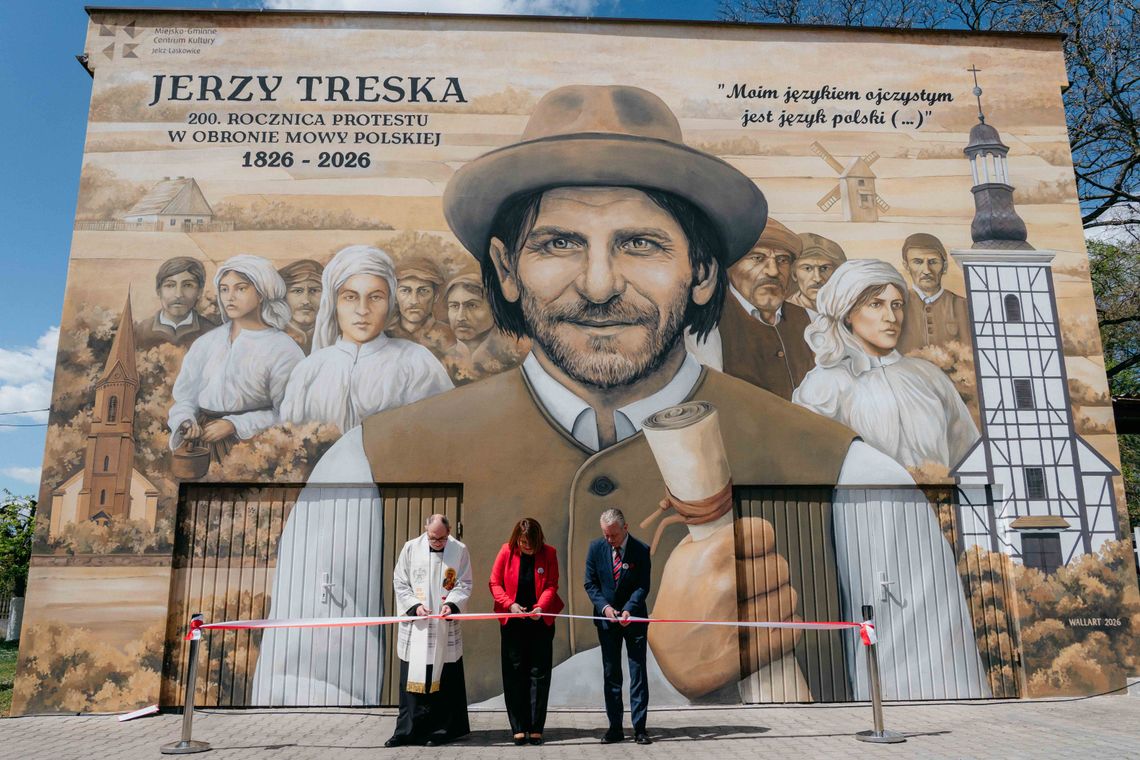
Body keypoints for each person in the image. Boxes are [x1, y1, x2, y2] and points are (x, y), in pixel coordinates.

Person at [260, 84, 987, 706]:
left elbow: (942, 734)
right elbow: (299, 732)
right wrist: (655, 672)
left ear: (702, 272)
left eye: (640, 243)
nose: (601, 285)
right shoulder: (366, 470)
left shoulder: (849, 476)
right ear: (506, 270)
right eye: (558, 244)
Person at [793, 259, 980, 469]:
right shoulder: (824, 383)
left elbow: (969, 455)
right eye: (876, 304)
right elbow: (805, 463)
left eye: (896, 305)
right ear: (848, 314)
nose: (891, 317)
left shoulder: (929, 376)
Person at [279, 246, 453, 433]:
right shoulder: (309, 370)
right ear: (334, 303)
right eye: (350, 297)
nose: (363, 310)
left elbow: (443, 431)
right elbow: (291, 444)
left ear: (389, 302)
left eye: (375, 297)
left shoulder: (415, 361)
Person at [167, 254, 304, 461]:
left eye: (241, 288)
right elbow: (185, 398)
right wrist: (185, 420)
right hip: (201, 442)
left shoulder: (283, 349)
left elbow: (287, 414)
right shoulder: (207, 342)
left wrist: (234, 425)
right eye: (224, 289)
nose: (230, 297)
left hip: (253, 447)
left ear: (261, 294)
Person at [686, 218, 814, 400]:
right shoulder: (704, 326)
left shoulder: (811, 319)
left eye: (782, 260)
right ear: (730, 266)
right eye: (757, 258)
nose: (773, 271)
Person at [386, 514, 473, 747]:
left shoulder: (459, 550)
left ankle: (441, 730)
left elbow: (464, 583)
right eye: (433, 538)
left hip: (444, 624)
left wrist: (451, 604)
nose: (437, 543)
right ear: (426, 529)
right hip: (418, 625)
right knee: (413, 680)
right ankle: (407, 731)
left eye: (442, 539)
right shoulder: (410, 548)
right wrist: (415, 606)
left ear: (449, 532)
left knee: (444, 680)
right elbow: (400, 581)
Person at [488, 517, 564, 745]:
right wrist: (510, 604)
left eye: (531, 543)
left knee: (539, 673)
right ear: (517, 540)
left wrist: (541, 606)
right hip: (513, 622)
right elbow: (494, 583)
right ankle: (519, 727)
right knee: (514, 673)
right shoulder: (506, 552)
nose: (527, 547)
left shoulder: (549, 553)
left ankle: (536, 727)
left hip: (540, 621)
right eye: (523, 543)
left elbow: (552, 584)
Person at [583, 508, 652, 744]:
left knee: (637, 672)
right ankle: (615, 727)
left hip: (633, 621)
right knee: (611, 673)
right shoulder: (596, 548)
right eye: (606, 535)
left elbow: (643, 585)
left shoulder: (641, 550)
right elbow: (590, 583)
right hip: (607, 622)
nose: (609, 540)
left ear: (625, 528)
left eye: (613, 535)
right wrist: (606, 609)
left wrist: (629, 609)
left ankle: (640, 728)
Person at [441, 272, 528, 385]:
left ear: (494, 308)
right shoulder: (442, 361)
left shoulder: (518, 354)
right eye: (454, 306)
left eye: (472, 305)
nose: (460, 317)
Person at [896, 233, 973, 353]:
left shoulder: (963, 306)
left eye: (933, 262)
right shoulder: (897, 305)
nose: (926, 270)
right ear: (906, 266)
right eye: (918, 262)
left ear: (945, 266)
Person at [134, 256, 217, 349]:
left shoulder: (212, 333)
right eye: (170, 285)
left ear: (199, 292)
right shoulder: (140, 332)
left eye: (188, 285)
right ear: (158, 291)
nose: (178, 294)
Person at [386, 256, 457, 360]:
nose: (414, 301)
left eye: (423, 291)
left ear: (435, 296)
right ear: (395, 296)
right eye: (405, 291)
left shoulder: (447, 337)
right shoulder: (384, 335)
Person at [786, 232, 846, 316]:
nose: (817, 278)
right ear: (794, 274)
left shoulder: (846, 309)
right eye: (807, 268)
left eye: (824, 268)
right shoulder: (785, 313)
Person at [278, 259, 324, 354]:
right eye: (297, 291)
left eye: (314, 290)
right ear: (283, 296)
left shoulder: (334, 338)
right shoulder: (271, 339)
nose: (306, 301)